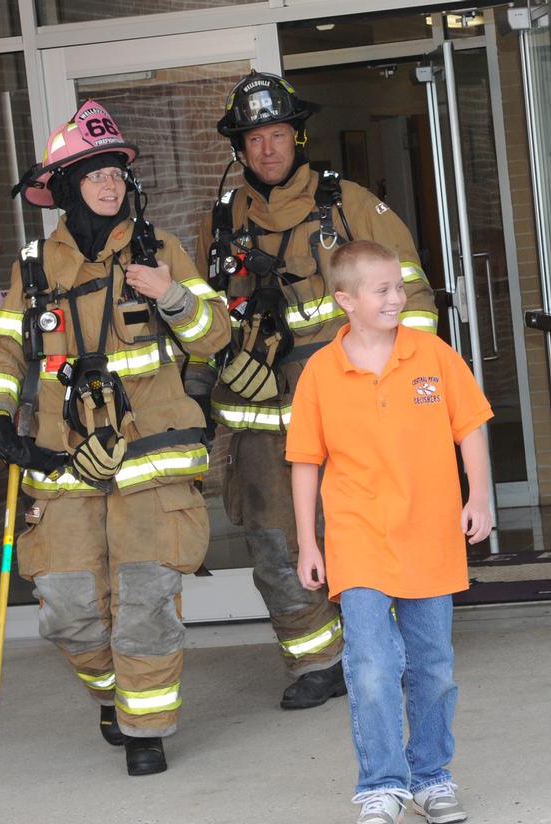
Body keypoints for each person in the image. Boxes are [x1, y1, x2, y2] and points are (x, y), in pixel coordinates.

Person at [0, 100, 231, 776]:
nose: (109, 184)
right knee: (67, 611)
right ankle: (111, 691)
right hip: (64, 465)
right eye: (93, 173)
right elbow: (6, 348)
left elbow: (215, 335)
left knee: (145, 605)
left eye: (116, 171)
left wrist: (172, 295)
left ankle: (145, 732)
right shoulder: (34, 267)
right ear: (64, 188)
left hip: (151, 463)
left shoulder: (161, 249)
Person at [193, 71, 438, 710]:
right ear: (238, 149)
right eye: (253, 139)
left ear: (296, 136)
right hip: (262, 417)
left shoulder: (349, 205)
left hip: (353, 411)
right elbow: (203, 319)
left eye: (277, 134)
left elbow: (408, 294)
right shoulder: (221, 223)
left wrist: (405, 382)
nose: (267, 149)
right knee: (278, 545)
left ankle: (389, 651)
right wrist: (201, 389)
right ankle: (318, 662)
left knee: (371, 533)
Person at [286, 240, 493, 824]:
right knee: (373, 664)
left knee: (433, 665)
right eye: (383, 290)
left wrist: (478, 496)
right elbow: (305, 462)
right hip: (357, 537)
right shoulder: (321, 373)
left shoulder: (431, 354)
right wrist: (309, 542)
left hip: (430, 532)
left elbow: (471, 425)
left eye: (400, 286)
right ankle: (381, 784)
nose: (398, 297)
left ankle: (431, 777)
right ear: (345, 299)